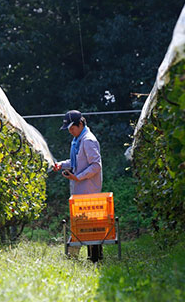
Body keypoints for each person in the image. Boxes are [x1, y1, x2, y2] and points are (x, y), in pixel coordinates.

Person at [53, 110, 103, 261]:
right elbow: (76, 162)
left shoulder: (88, 140)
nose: (70, 131)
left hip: (88, 187)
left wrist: (78, 177)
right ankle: (83, 257)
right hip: (80, 187)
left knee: (90, 223)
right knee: (82, 222)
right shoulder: (77, 140)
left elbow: (96, 165)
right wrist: (61, 164)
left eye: (72, 128)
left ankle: (94, 258)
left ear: (80, 124)